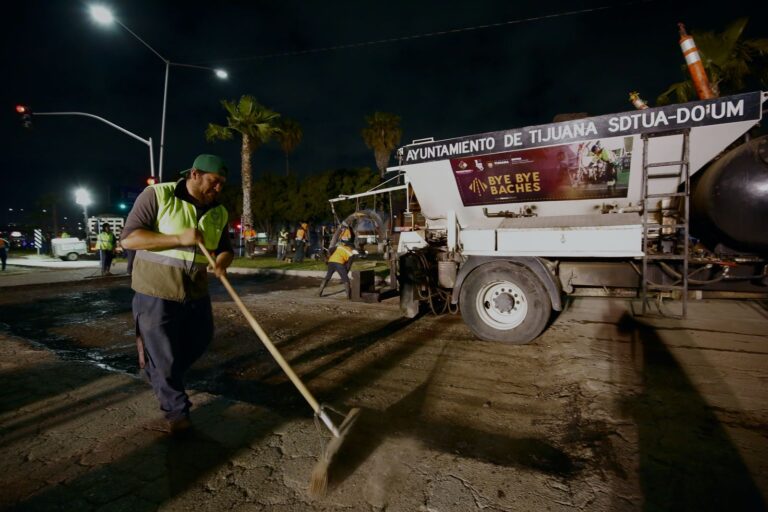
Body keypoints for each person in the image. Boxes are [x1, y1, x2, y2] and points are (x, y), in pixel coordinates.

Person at [120, 154, 233, 435]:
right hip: (155, 290)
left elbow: (225, 248)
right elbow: (130, 239)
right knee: (165, 357)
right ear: (194, 174)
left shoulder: (218, 211)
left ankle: (158, 372)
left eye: (222, 183)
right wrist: (178, 238)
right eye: (214, 181)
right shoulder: (158, 195)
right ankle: (177, 412)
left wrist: (222, 262)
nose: (218, 188)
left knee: (200, 339)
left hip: (195, 291)